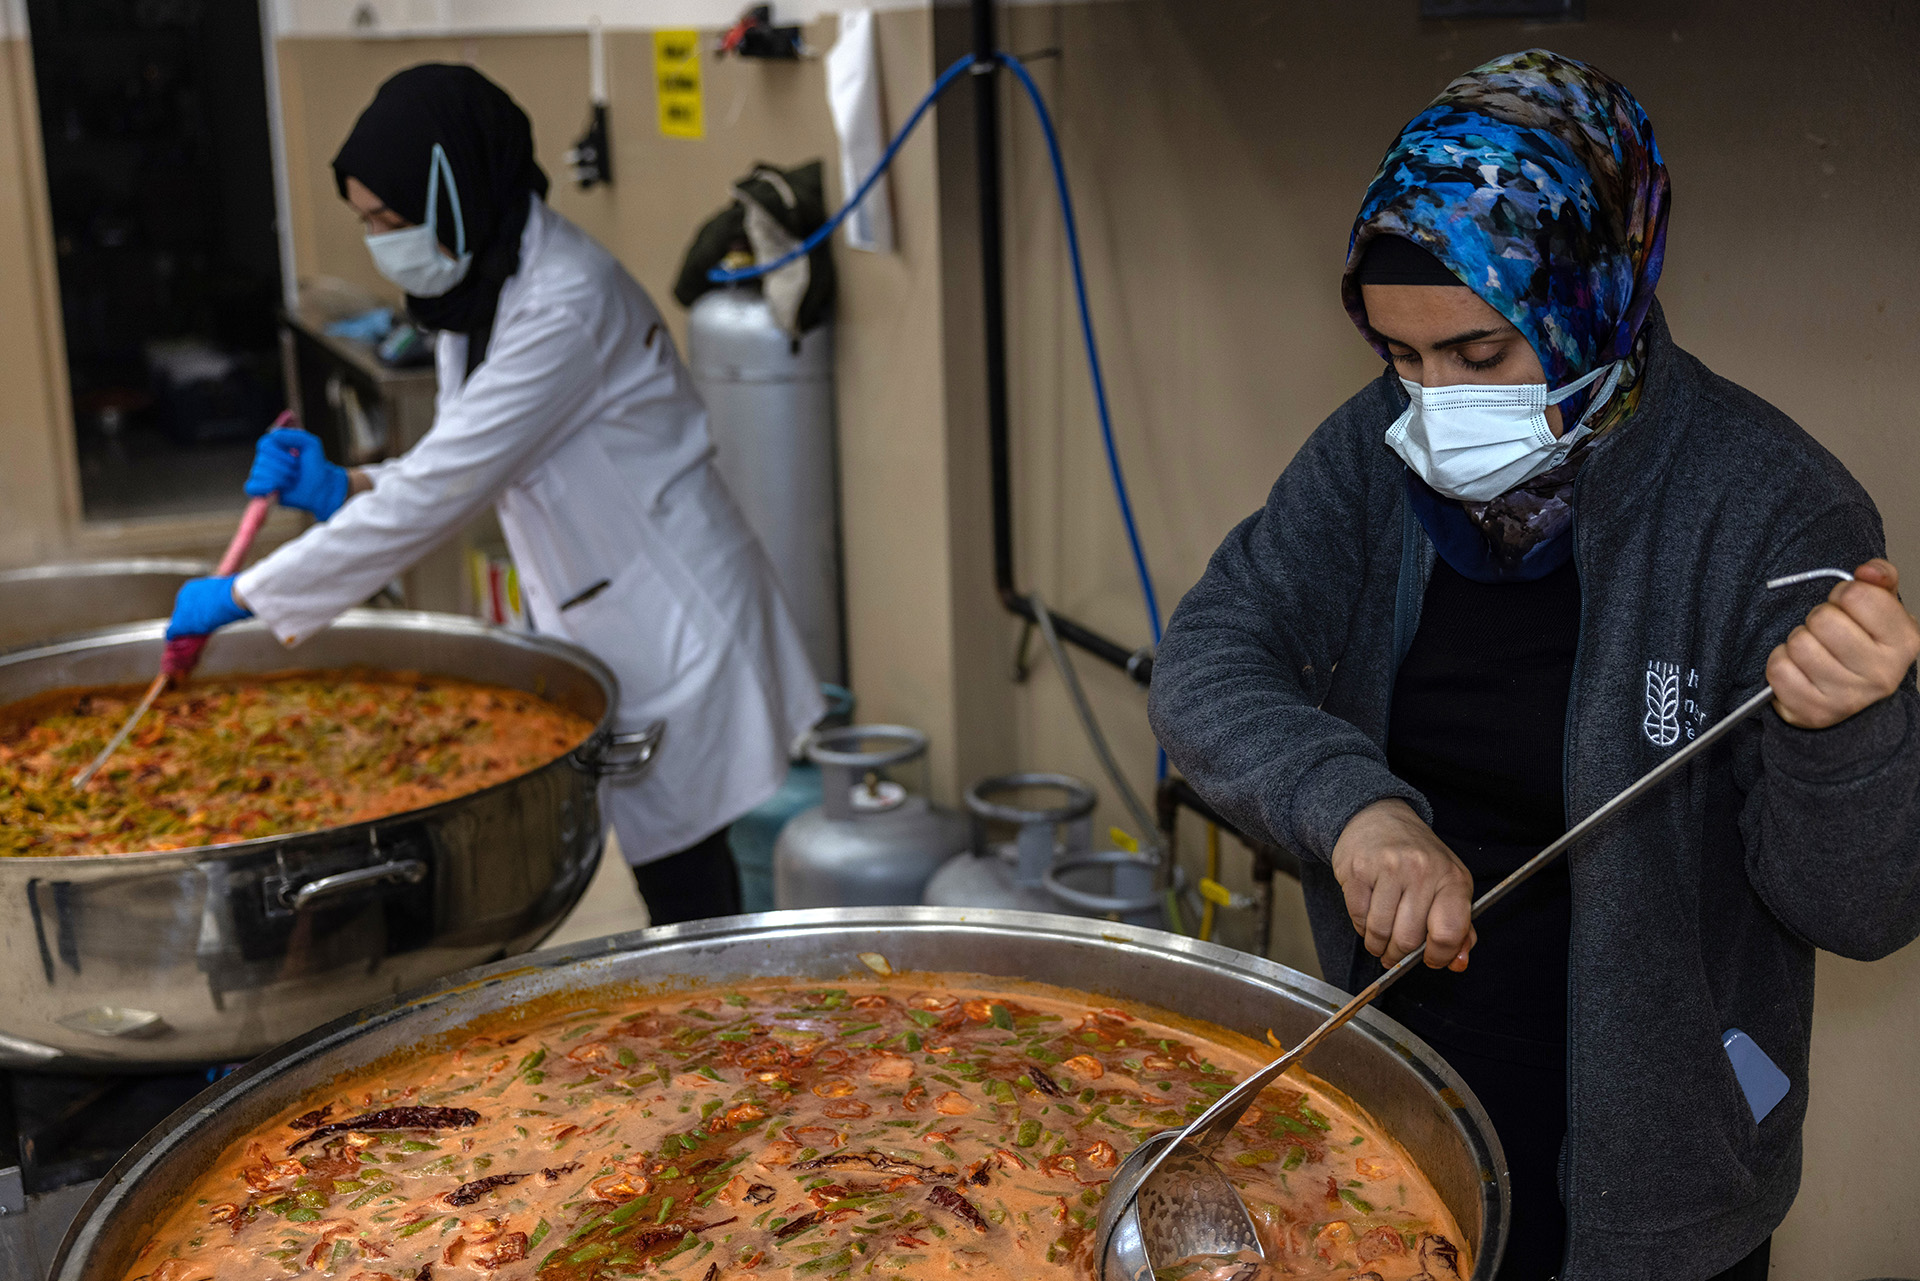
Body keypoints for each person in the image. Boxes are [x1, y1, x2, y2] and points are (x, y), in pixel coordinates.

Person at [1148, 50, 1920, 1281]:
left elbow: (1863, 909)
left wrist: (1849, 732)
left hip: (1656, 1170)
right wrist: (1357, 812)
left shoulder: (1770, 509)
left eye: (1478, 354)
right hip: (1395, 1109)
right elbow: (1208, 662)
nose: (1433, 404)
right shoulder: (1372, 453)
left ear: (1595, 302)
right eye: (1398, 356)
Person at [166, 65, 823, 924]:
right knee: (678, 876)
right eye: (365, 221)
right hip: (612, 603)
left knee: (692, 884)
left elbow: (449, 483)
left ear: (451, 186)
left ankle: (732, 1042)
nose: (377, 240)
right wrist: (347, 483)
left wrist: (251, 592)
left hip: (673, 611)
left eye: (386, 219)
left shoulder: (564, 303)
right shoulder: (483, 280)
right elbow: (465, 452)